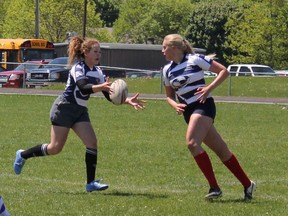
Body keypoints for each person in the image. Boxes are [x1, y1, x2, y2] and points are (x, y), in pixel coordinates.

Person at [13, 36, 145, 192]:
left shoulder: (98, 72)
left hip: (80, 111)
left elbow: (109, 96)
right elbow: (83, 87)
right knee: (55, 148)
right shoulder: (78, 68)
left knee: (92, 143)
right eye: (95, 51)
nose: (98, 55)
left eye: (100, 52)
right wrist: (100, 86)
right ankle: (23, 155)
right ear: (86, 52)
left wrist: (126, 100)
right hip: (64, 108)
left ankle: (90, 183)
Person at [161, 34, 255, 200]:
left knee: (192, 143)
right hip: (189, 112)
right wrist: (175, 105)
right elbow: (169, 96)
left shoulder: (195, 59)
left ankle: (214, 187)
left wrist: (208, 88)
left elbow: (224, 71)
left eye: (164, 47)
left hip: (203, 106)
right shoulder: (166, 70)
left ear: (174, 47)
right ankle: (248, 184)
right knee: (221, 150)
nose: (162, 51)